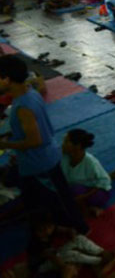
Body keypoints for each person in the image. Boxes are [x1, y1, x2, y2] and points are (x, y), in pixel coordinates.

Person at [0, 55, 88, 233]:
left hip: (41, 162)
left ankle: (81, 230)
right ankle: (53, 227)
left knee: (61, 199)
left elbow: (34, 140)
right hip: (37, 160)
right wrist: (12, 137)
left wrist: (7, 145)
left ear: (7, 79)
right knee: (38, 199)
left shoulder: (22, 106)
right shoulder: (30, 92)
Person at [61, 129, 115, 217]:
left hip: (96, 191)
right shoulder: (64, 157)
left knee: (77, 192)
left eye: (66, 141)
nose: (62, 144)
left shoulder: (91, 162)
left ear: (78, 146)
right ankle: (112, 175)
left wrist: (84, 197)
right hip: (81, 184)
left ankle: (89, 208)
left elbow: (104, 182)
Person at [26, 210, 115, 278]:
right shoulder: (36, 243)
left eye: (49, 227)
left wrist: (71, 232)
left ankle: (102, 252)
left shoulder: (52, 229)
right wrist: (66, 268)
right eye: (41, 230)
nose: (47, 232)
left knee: (79, 238)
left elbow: (66, 230)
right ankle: (99, 261)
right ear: (34, 231)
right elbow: (54, 258)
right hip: (42, 267)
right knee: (72, 255)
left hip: (55, 255)